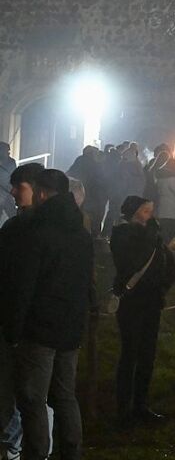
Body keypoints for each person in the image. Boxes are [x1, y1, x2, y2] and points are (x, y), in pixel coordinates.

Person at [7, 169, 94, 460]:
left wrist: (13, 330)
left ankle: (37, 454)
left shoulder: (39, 232)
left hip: (40, 329)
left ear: (41, 193)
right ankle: (72, 452)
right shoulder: (81, 232)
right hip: (70, 328)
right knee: (65, 395)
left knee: (33, 399)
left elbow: (24, 286)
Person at [109, 196, 175, 427]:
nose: (151, 215)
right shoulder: (121, 234)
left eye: (151, 210)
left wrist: (162, 286)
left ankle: (141, 404)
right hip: (132, 302)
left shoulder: (152, 235)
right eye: (146, 210)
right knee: (131, 353)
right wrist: (151, 238)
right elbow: (131, 263)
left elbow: (168, 266)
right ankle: (123, 408)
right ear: (134, 212)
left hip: (151, 300)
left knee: (147, 354)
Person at [0, 163, 44, 460]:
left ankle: (16, 446)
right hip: (20, 319)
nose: (13, 192)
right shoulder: (17, 225)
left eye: (20, 187)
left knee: (22, 389)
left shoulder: (30, 230)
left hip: (26, 322)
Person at [68, 146, 106, 239]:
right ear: (92, 154)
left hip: (80, 193)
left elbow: (70, 173)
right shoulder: (95, 165)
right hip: (92, 196)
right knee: (92, 218)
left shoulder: (79, 161)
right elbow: (100, 180)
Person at [0, 142, 16, 223]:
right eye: (6, 151)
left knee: (13, 214)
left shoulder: (11, 162)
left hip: (7, 192)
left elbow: (13, 175)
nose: (8, 153)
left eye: (8, 151)